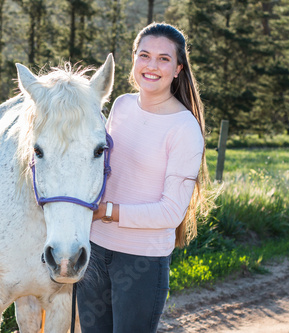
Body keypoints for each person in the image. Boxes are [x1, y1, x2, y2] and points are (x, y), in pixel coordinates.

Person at [76, 22, 209, 333]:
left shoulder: (184, 128)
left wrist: (107, 211)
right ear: (133, 59)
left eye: (164, 59)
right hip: (94, 249)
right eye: (145, 55)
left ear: (178, 68)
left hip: (141, 263)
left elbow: (171, 212)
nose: (152, 66)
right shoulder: (120, 106)